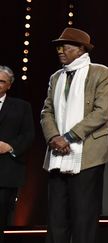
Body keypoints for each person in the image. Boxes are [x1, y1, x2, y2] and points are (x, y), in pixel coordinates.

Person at [40, 27, 108, 243]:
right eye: (58, 47)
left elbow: (101, 112)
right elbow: (47, 111)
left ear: (82, 49)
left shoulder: (101, 73)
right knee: (56, 218)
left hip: (87, 155)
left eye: (66, 46)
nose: (60, 50)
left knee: (84, 217)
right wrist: (55, 138)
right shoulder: (56, 77)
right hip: (57, 155)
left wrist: (69, 137)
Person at [0, 65, 34, 243]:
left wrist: (10, 147)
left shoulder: (21, 107)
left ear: (9, 85)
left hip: (5, 173)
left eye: (1, 81)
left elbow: (29, 135)